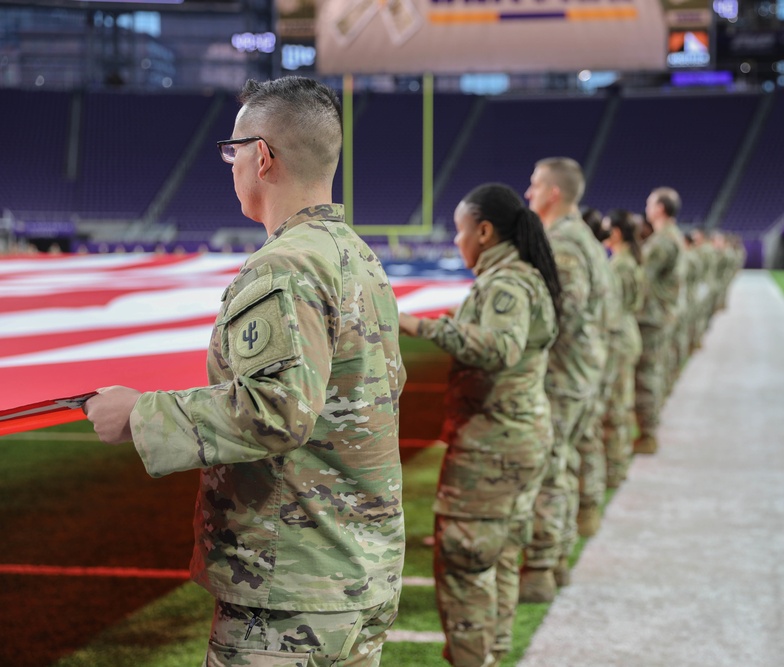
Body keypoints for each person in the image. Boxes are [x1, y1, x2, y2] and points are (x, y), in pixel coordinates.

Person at [83, 76, 406, 667]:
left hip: (292, 585)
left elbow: (276, 412)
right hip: (355, 570)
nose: (229, 165)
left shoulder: (284, 266)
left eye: (232, 152)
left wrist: (139, 414)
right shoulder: (356, 255)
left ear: (262, 156)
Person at [397, 183, 560, 667]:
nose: (456, 241)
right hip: (517, 441)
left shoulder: (506, 283)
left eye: (460, 231)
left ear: (484, 232)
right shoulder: (519, 277)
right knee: (501, 558)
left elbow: (498, 347)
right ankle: (493, 655)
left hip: (492, 450)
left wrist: (417, 325)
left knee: (466, 565)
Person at [520, 157, 611, 602]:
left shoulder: (565, 243)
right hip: (581, 371)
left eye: (535, 185)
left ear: (554, 192)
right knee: (564, 464)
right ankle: (556, 559)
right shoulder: (580, 237)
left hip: (564, 375)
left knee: (549, 469)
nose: (528, 192)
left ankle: (541, 568)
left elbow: (562, 314)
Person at [634, 186, 686, 455]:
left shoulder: (662, 241)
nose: (647, 208)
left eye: (650, 204)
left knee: (645, 376)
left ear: (660, 209)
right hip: (660, 314)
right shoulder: (670, 237)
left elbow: (641, 276)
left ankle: (648, 434)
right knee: (653, 371)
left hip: (651, 316)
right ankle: (649, 425)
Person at [597, 209, 644, 490]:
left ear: (615, 233)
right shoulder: (628, 261)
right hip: (626, 333)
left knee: (614, 408)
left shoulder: (620, 266)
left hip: (617, 338)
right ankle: (619, 462)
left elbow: (610, 308)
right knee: (620, 404)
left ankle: (615, 468)